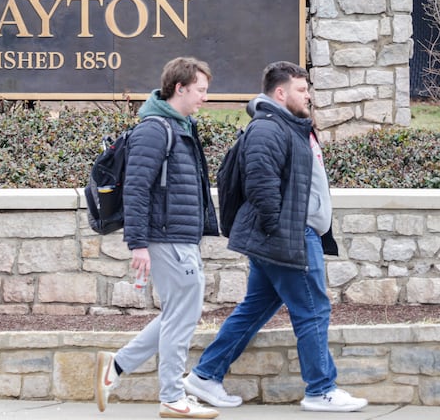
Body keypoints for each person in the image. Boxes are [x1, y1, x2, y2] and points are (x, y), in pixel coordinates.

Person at [182, 61, 368, 413]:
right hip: (289, 236)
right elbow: (261, 183)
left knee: (254, 309)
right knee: (313, 310)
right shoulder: (269, 128)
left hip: (288, 234)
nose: (308, 95)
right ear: (280, 93)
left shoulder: (292, 127)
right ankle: (321, 389)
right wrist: (281, 228)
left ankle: (204, 376)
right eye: (301, 89)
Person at [96, 57, 221, 419]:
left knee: (179, 313)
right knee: (183, 316)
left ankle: (115, 368)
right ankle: (171, 396)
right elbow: (136, 188)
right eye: (200, 90)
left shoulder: (180, 126)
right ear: (179, 88)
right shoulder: (156, 129)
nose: (204, 97)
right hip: (166, 237)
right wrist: (138, 244)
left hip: (180, 236)